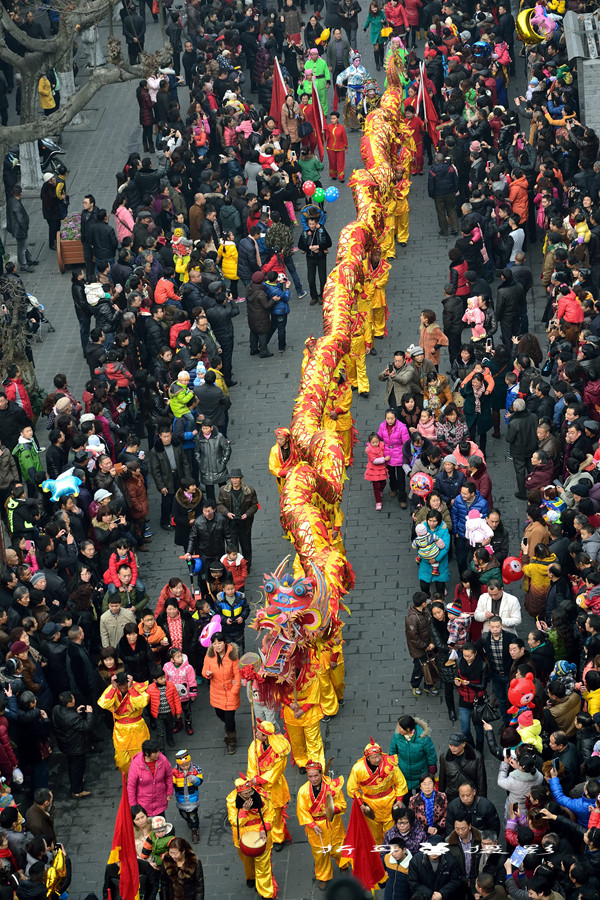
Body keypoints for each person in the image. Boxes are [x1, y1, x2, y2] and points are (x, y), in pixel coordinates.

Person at [296, 759, 349, 891]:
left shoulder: (332, 787)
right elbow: (302, 811)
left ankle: (343, 865)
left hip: (332, 823)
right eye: (310, 776)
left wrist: (332, 810)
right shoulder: (303, 791)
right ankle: (324, 876)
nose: (313, 779)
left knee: (339, 850)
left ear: (321, 774)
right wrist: (313, 825)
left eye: (316, 775)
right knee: (320, 855)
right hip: (316, 828)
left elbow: (342, 804)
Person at [347, 738, 407, 845]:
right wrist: (360, 804)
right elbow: (352, 789)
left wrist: (399, 800)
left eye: (379, 755)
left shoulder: (390, 764)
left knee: (391, 833)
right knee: (375, 835)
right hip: (371, 805)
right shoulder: (358, 769)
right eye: (374, 757)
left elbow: (400, 782)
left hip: (389, 803)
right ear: (368, 758)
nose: (377, 759)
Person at [226, 775, 275, 897]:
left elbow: (270, 814)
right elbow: (234, 821)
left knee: (263, 865)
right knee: (247, 861)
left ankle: (266, 892)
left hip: (261, 832)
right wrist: (244, 811)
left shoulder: (262, 796)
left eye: (250, 792)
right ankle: (251, 877)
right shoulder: (232, 801)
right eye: (245, 794)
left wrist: (264, 829)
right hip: (243, 835)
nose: (249, 795)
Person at [246, 720, 291, 851]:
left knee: (276, 812)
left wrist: (261, 779)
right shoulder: (254, 745)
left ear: (266, 736)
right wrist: (253, 778)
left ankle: (278, 837)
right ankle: (264, 831)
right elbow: (251, 763)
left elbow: (278, 770)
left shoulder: (279, 750)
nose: (256, 734)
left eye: (259, 733)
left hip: (274, 784)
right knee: (262, 809)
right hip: (258, 783)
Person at [97, 670, 150, 773]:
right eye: (121, 687)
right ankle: (127, 782)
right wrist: (113, 688)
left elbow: (141, 703)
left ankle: (141, 782)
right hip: (121, 731)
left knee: (140, 760)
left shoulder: (137, 687)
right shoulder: (113, 688)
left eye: (125, 687)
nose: (123, 689)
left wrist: (131, 689)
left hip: (137, 729)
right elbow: (103, 704)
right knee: (122, 762)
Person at [201, 632, 240, 755]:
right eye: (214, 643)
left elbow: (237, 675)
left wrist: (234, 690)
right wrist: (207, 674)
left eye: (219, 643)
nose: (217, 646)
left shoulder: (233, 656)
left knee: (229, 718)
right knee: (219, 714)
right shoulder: (209, 655)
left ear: (225, 643)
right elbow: (204, 671)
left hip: (230, 692)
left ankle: (231, 740)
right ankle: (228, 727)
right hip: (216, 691)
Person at [50, 692, 93, 798]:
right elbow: (87, 726)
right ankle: (76, 790)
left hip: (66, 743)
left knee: (73, 764)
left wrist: (75, 711)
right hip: (76, 746)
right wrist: (89, 713)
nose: (74, 700)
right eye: (72, 699)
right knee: (77, 766)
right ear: (69, 704)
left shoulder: (56, 709)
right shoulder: (72, 717)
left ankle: (77, 780)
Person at [216, 469, 258, 568]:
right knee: (233, 547)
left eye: (237, 478)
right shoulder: (223, 490)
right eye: (232, 478)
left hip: (245, 523)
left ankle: (247, 565)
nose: (234, 480)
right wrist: (227, 513)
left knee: (246, 546)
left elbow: (255, 505)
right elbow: (219, 504)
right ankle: (235, 566)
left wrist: (247, 514)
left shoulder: (250, 491)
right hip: (230, 523)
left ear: (241, 479)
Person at [389, 715, 437, 793]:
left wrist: (432, 771)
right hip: (404, 773)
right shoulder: (397, 736)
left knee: (420, 797)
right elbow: (392, 751)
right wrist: (391, 766)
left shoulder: (423, 739)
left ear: (408, 729)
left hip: (420, 773)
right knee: (405, 798)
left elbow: (431, 755)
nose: (398, 729)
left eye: (400, 727)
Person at [127, 739, 173, 818]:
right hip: (144, 804)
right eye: (155, 752)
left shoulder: (163, 760)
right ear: (146, 753)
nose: (158, 754)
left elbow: (169, 776)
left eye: (158, 751)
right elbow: (131, 786)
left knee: (161, 826)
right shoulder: (136, 765)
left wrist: (169, 792)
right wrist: (133, 806)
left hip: (160, 801)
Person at [438, 732, 487, 802]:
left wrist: (482, 801)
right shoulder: (444, 757)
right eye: (450, 745)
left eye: (456, 745)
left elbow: (481, 781)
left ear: (463, 744)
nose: (452, 748)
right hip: (452, 796)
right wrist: (441, 797)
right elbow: (442, 780)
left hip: (469, 796)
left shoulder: (477, 757)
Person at [506, 397, 538, 500]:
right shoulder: (533, 417)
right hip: (532, 447)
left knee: (520, 472)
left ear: (515, 409)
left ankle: (522, 493)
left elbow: (509, 438)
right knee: (531, 469)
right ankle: (533, 489)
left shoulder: (514, 423)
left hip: (518, 451)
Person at [298, 216, 332, 306]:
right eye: (310, 224)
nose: (312, 226)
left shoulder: (321, 230)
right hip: (310, 258)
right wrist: (309, 248)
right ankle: (314, 297)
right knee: (311, 279)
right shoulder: (305, 232)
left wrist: (319, 247)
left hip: (321, 257)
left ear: (316, 223)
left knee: (322, 279)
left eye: (313, 224)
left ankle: (322, 295)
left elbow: (329, 242)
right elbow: (300, 245)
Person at [146, 666, 183, 749]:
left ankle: (169, 739)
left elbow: (176, 699)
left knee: (170, 728)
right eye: (161, 678)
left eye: (164, 677)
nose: (164, 680)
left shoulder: (171, 685)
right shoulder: (150, 688)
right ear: (155, 680)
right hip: (158, 715)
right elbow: (146, 700)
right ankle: (161, 747)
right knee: (160, 732)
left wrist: (178, 711)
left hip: (170, 713)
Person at [172, 749, 203, 844]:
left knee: (193, 815)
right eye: (183, 765)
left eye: (187, 764)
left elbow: (200, 781)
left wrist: (194, 779)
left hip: (192, 797)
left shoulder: (195, 769)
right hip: (181, 798)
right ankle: (188, 820)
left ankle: (195, 830)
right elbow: (172, 784)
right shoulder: (174, 772)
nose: (185, 767)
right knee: (183, 814)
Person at [7, 186, 38, 274]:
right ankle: (23, 265)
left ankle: (30, 259)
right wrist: (25, 227)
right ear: (20, 193)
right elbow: (20, 219)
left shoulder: (11, 201)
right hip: (19, 229)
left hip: (15, 228)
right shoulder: (16, 204)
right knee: (22, 247)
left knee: (23, 245)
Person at [428, 154, 459, 237]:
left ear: (436, 160)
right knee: (452, 209)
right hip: (450, 192)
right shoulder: (450, 168)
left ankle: (444, 230)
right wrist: (455, 190)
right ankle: (455, 228)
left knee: (441, 212)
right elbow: (455, 180)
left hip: (438, 194)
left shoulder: (433, 170)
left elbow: (431, 184)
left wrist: (431, 194)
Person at [323, 111, 349, 181]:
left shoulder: (341, 128)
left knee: (340, 162)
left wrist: (346, 147)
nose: (332, 120)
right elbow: (326, 136)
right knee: (332, 162)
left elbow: (344, 138)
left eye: (334, 118)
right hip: (330, 147)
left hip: (340, 147)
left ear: (337, 119)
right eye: (331, 118)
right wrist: (324, 133)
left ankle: (341, 177)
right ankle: (333, 174)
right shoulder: (328, 127)